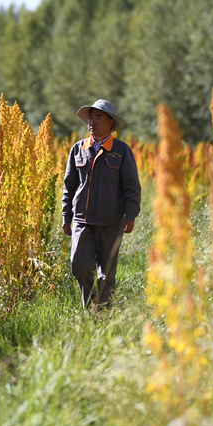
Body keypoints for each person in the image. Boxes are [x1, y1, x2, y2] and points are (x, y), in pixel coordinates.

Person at [62, 99, 141, 310]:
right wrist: (66, 216)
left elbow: (132, 187)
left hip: (111, 222)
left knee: (106, 275)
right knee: (79, 265)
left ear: (110, 123)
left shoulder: (122, 150)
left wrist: (130, 215)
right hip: (82, 221)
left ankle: (103, 316)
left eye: (98, 118)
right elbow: (69, 186)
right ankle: (90, 306)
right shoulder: (78, 149)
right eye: (91, 118)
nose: (92, 122)